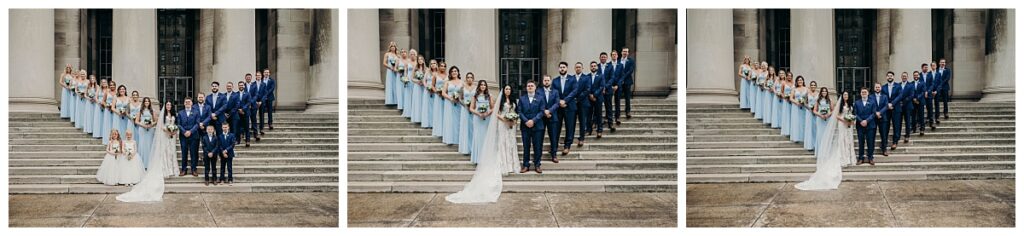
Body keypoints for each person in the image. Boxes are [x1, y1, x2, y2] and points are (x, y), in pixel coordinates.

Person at [445, 85, 520, 204]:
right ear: (503, 90)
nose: (508, 91)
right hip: (502, 124)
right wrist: (505, 119)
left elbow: (516, 113)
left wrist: (513, 120)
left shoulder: (514, 101)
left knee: (511, 144)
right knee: (502, 144)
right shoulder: (499, 102)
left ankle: (511, 164)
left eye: (509, 89)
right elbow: (496, 113)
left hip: (511, 126)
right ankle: (504, 165)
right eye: (506, 89)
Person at [116, 102, 181, 202]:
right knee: (165, 152)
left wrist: (173, 131)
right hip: (165, 134)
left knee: (171, 152)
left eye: (170, 105)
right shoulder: (162, 116)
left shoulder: (173, 115)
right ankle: (165, 170)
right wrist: (167, 130)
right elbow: (160, 126)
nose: (168, 106)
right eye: (167, 105)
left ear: (171, 107)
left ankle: (172, 169)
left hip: (172, 136)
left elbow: (176, 125)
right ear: (165, 106)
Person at [795, 90, 856, 191]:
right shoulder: (839, 105)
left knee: (848, 140)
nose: (846, 96)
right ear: (842, 96)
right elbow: (836, 115)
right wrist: (844, 120)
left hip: (849, 125)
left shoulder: (850, 104)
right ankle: (842, 158)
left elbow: (852, 114)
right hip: (842, 124)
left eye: (847, 95)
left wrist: (850, 120)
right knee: (842, 140)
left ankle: (849, 156)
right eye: (844, 94)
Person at [553, 62, 580, 155]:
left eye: (564, 67)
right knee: (557, 127)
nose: (562, 69)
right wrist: (559, 101)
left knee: (570, 127)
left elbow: (575, 91)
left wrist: (565, 101)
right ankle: (554, 146)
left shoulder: (573, 79)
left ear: (567, 68)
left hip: (570, 107)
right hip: (558, 108)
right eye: (560, 67)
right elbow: (553, 93)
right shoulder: (555, 80)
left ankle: (567, 146)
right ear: (558, 69)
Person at [518, 80, 546, 174]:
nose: (530, 87)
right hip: (525, 126)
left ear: (535, 87)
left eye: (531, 86)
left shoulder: (541, 98)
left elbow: (542, 111)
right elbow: (519, 112)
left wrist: (533, 120)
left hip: (537, 126)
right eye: (528, 86)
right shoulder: (522, 99)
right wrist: (526, 121)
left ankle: (537, 165)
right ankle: (526, 165)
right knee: (526, 146)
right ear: (526, 88)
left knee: (537, 146)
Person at [470, 79, 494, 165]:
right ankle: (478, 158)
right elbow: (471, 108)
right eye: (481, 85)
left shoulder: (489, 96)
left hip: (487, 119)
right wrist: (478, 114)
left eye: (484, 85)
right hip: (477, 119)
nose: (483, 86)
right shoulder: (475, 96)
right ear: (479, 86)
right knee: (478, 136)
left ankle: (486, 158)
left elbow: (492, 108)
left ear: (486, 86)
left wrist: (487, 113)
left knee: (485, 137)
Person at [540, 75, 561, 163]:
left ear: (551, 81)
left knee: (553, 137)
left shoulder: (555, 92)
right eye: (545, 80)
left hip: (552, 117)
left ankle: (554, 155)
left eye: (548, 80)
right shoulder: (538, 91)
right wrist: (544, 111)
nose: (546, 82)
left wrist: (549, 111)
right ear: (543, 81)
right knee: (540, 138)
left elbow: (557, 103)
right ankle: (538, 155)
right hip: (541, 117)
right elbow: (538, 103)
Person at [178, 97, 200, 176]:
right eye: (186, 102)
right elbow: (179, 124)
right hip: (183, 136)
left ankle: (194, 169)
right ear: (184, 103)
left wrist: (190, 131)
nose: (187, 103)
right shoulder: (180, 113)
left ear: (191, 103)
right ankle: (184, 169)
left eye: (189, 102)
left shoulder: (196, 112)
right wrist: (184, 132)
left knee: (193, 153)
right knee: (184, 153)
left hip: (193, 135)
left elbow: (197, 124)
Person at [854, 87, 877, 165]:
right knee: (861, 142)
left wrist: (866, 121)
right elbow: (855, 114)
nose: (863, 93)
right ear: (860, 93)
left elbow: (874, 113)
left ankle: (870, 157)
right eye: (862, 92)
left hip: (870, 125)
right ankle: (860, 158)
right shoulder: (857, 103)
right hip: (860, 125)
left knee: (870, 142)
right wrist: (861, 121)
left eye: (865, 92)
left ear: (868, 93)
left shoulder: (873, 102)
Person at [441, 66, 463, 145]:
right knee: (450, 120)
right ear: (450, 73)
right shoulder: (447, 82)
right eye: (452, 71)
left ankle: (458, 139)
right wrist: (450, 98)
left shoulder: (462, 82)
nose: (454, 72)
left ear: (458, 72)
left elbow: (463, 93)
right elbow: (443, 93)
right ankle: (450, 139)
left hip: (459, 104)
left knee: (458, 120)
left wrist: (459, 98)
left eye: (456, 71)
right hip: (449, 103)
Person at [577, 62, 596, 146]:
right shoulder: (571, 78)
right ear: (575, 68)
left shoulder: (586, 78)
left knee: (582, 121)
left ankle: (581, 138)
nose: (578, 68)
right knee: (572, 122)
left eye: (579, 67)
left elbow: (587, 89)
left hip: (583, 102)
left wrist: (577, 98)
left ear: (582, 68)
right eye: (576, 67)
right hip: (573, 103)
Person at [458, 72, 477, 156]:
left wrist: (473, 106)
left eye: (471, 77)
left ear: (473, 79)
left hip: (473, 110)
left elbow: (478, 98)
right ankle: (466, 148)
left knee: (473, 127)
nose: (469, 79)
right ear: (466, 79)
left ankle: (473, 147)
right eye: (468, 77)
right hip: (465, 110)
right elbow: (460, 98)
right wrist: (465, 105)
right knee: (466, 127)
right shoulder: (462, 88)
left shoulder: (476, 88)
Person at [135, 97, 156, 168]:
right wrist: (143, 125)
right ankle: (142, 164)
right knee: (142, 145)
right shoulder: (140, 111)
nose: (146, 102)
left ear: (149, 103)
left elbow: (155, 121)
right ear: (143, 103)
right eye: (145, 101)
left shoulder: (152, 111)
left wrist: (150, 125)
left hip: (150, 130)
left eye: (148, 101)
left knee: (149, 145)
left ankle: (150, 164)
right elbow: (136, 121)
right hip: (142, 129)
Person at [872, 82, 891, 156]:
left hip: (883, 118)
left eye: (878, 87)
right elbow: (871, 106)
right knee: (872, 135)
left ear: (881, 88)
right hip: (873, 118)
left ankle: (884, 149)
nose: (877, 88)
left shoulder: (885, 96)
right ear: (874, 88)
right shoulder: (870, 97)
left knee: (883, 135)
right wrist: (875, 113)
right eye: (876, 87)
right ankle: (871, 150)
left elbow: (886, 106)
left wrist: (879, 113)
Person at [430, 60, 447, 137]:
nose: (442, 67)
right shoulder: (435, 75)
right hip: (438, 96)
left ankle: (445, 130)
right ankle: (438, 130)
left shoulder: (448, 76)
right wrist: (436, 91)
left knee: (445, 112)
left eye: (444, 66)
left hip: (446, 96)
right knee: (438, 112)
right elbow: (432, 85)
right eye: (441, 66)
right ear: (438, 67)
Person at [618, 47, 635, 119]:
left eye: (626, 51)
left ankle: (628, 111)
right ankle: (617, 111)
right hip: (618, 82)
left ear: (628, 53)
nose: (625, 53)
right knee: (617, 97)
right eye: (624, 51)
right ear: (621, 52)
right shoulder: (618, 61)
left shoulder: (631, 61)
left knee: (627, 97)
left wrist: (623, 78)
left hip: (627, 81)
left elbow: (630, 71)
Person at [235, 80, 253, 147]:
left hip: (245, 113)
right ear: (238, 86)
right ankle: (238, 140)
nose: (241, 86)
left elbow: (248, 103)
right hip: (238, 113)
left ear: (244, 86)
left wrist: (242, 109)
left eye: (242, 85)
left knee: (247, 128)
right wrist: (239, 110)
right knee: (238, 127)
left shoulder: (247, 94)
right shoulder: (235, 94)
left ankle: (247, 141)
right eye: (240, 85)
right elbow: (235, 103)